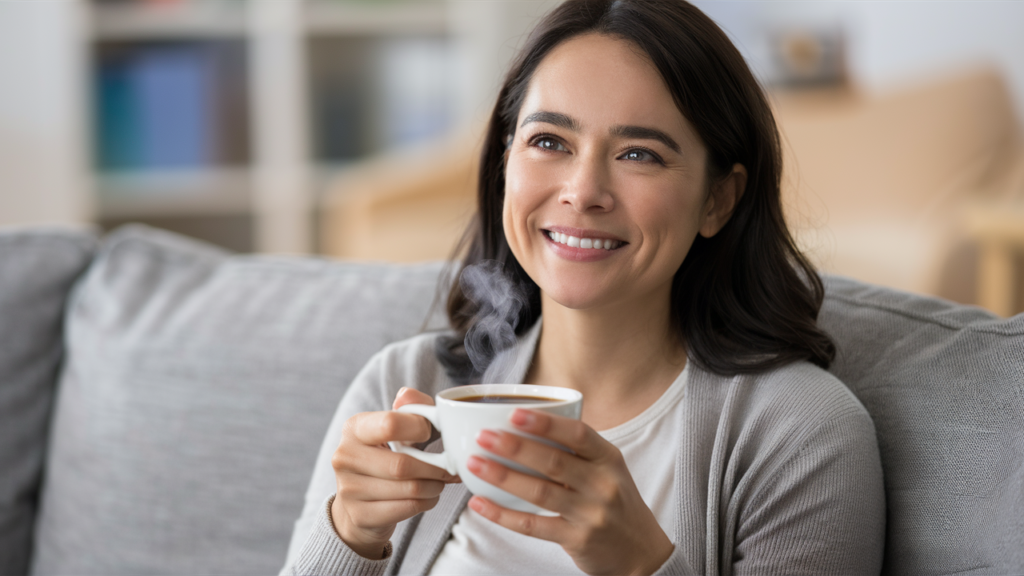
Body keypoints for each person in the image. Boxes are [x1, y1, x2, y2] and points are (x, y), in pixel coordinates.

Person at [282, 1, 885, 574]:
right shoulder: (405, 387)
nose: (582, 189)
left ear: (718, 200)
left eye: (639, 154)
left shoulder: (800, 434)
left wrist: (640, 563)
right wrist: (351, 535)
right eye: (548, 142)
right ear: (505, 161)